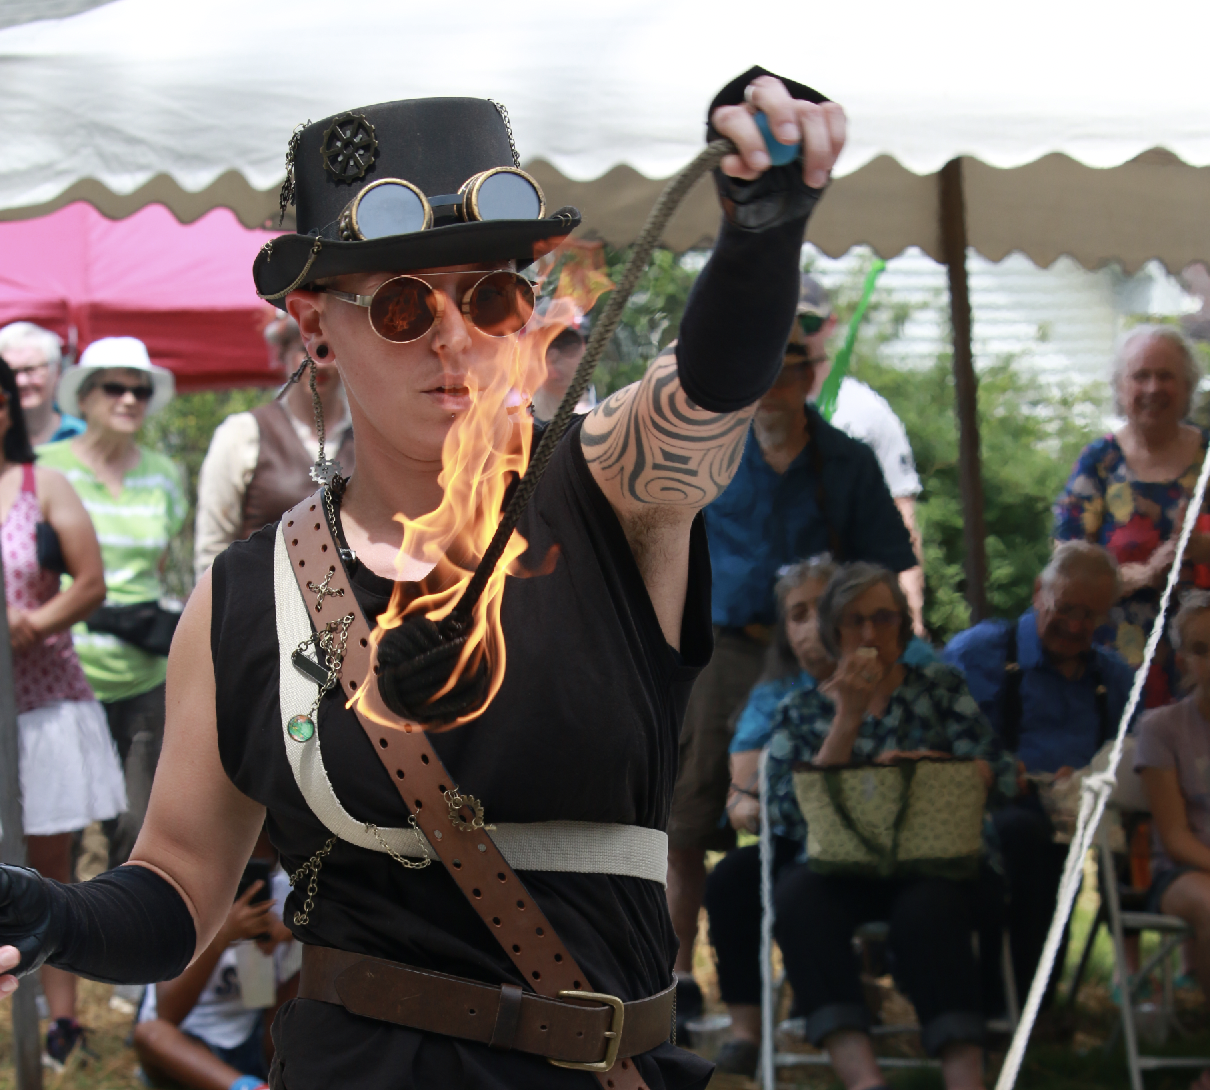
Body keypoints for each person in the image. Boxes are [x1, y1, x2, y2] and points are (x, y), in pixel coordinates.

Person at [0, 71, 849, 1090]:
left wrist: (760, 236)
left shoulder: (611, 492)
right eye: (403, 305)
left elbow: (706, 395)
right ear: (316, 326)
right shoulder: (245, 600)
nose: (454, 338)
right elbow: (178, 886)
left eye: (490, 296)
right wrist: (49, 914)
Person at [667, 323, 917, 1028]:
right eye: (763, 372)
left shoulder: (847, 461)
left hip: (823, 656)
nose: (773, 387)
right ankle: (676, 978)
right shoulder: (711, 454)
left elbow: (886, 569)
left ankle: (841, 976)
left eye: (788, 371)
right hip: (723, 647)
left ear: (812, 378)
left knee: (839, 800)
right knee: (689, 813)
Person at [765, 562, 1017, 1090]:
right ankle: (864, 1080)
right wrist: (847, 718)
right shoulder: (801, 710)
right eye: (854, 620)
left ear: (902, 626)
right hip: (843, 866)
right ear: (833, 630)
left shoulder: (940, 688)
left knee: (930, 908)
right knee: (797, 900)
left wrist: (926, 766)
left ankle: (964, 1078)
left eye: (883, 618)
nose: (869, 633)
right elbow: (787, 812)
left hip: (939, 863)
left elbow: (999, 771)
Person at [704, 554, 937, 1075]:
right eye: (798, 614)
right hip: (796, 834)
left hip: (896, 836)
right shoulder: (774, 696)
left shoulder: (911, 672)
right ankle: (746, 1032)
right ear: (784, 629)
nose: (812, 626)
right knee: (732, 880)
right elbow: (744, 789)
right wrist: (756, 803)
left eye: (824, 609)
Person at [0, 353, 126, 1066]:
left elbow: (90, 583)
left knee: (47, 867)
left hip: (41, 704)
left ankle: (62, 1021)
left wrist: (31, 624)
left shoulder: (41, 484)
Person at [943, 541, 1135, 1004]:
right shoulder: (978, 653)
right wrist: (996, 767)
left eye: (1090, 616)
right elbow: (934, 736)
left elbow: (1133, 756)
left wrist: (1091, 775)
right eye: (1065, 609)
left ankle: (1038, 1001)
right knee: (1026, 835)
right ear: (1037, 592)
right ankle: (1007, 1000)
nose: (1075, 626)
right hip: (989, 812)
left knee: (1112, 842)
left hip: (1078, 817)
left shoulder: (1113, 677)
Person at [37, 336, 186, 868]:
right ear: (83, 398)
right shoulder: (45, 468)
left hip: (144, 673)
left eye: (140, 391)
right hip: (62, 674)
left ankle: (120, 920)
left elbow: (158, 566)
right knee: (71, 831)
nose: (129, 399)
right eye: (115, 388)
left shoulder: (164, 473)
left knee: (137, 825)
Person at [1054, 324, 1210, 708]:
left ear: (1187, 387)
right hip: (1117, 666)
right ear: (1121, 388)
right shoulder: (1100, 463)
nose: (1154, 388)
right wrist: (1146, 574)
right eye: (1141, 376)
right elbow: (1066, 573)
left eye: (1166, 376)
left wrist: (1200, 549)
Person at [795, 274, 927, 636]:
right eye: (786, 322)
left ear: (830, 325)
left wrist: (912, 613)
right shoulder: (752, 411)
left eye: (808, 323)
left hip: (852, 612)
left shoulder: (869, 412)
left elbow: (902, 516)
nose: (798, 335)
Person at [194, 313, 354, 579]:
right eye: (305, 349)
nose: (318, 363)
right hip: (262, 600)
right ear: (282, 353)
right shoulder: (243, 434)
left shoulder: (369, 438)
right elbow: (213, 551)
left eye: (329, 350)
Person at [135, 849, 298, 1090]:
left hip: (253, 1033)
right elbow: (167, 1014)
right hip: (192, 1046)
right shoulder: (184, 896)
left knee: (309, 973)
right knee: (150, 1034)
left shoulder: (286, 896)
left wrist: (297, 932)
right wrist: (221, 938)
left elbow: (260, 995)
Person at [1136, 592, 1210, 1090]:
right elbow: (1176, 837)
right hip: (1183, 872)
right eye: (1201, 649)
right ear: (1182, 660)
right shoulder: (1161, 728)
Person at [0, 322, 85, 447]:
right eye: (11, 372)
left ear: (56, 370)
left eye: (31, 369)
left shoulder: (82, 434)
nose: (21, 382)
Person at [527, 300, 597, 424]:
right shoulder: (508, 418)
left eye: (567, 342)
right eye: (543, 343)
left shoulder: (605, 419)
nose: (553, 355)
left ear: (587, 349)